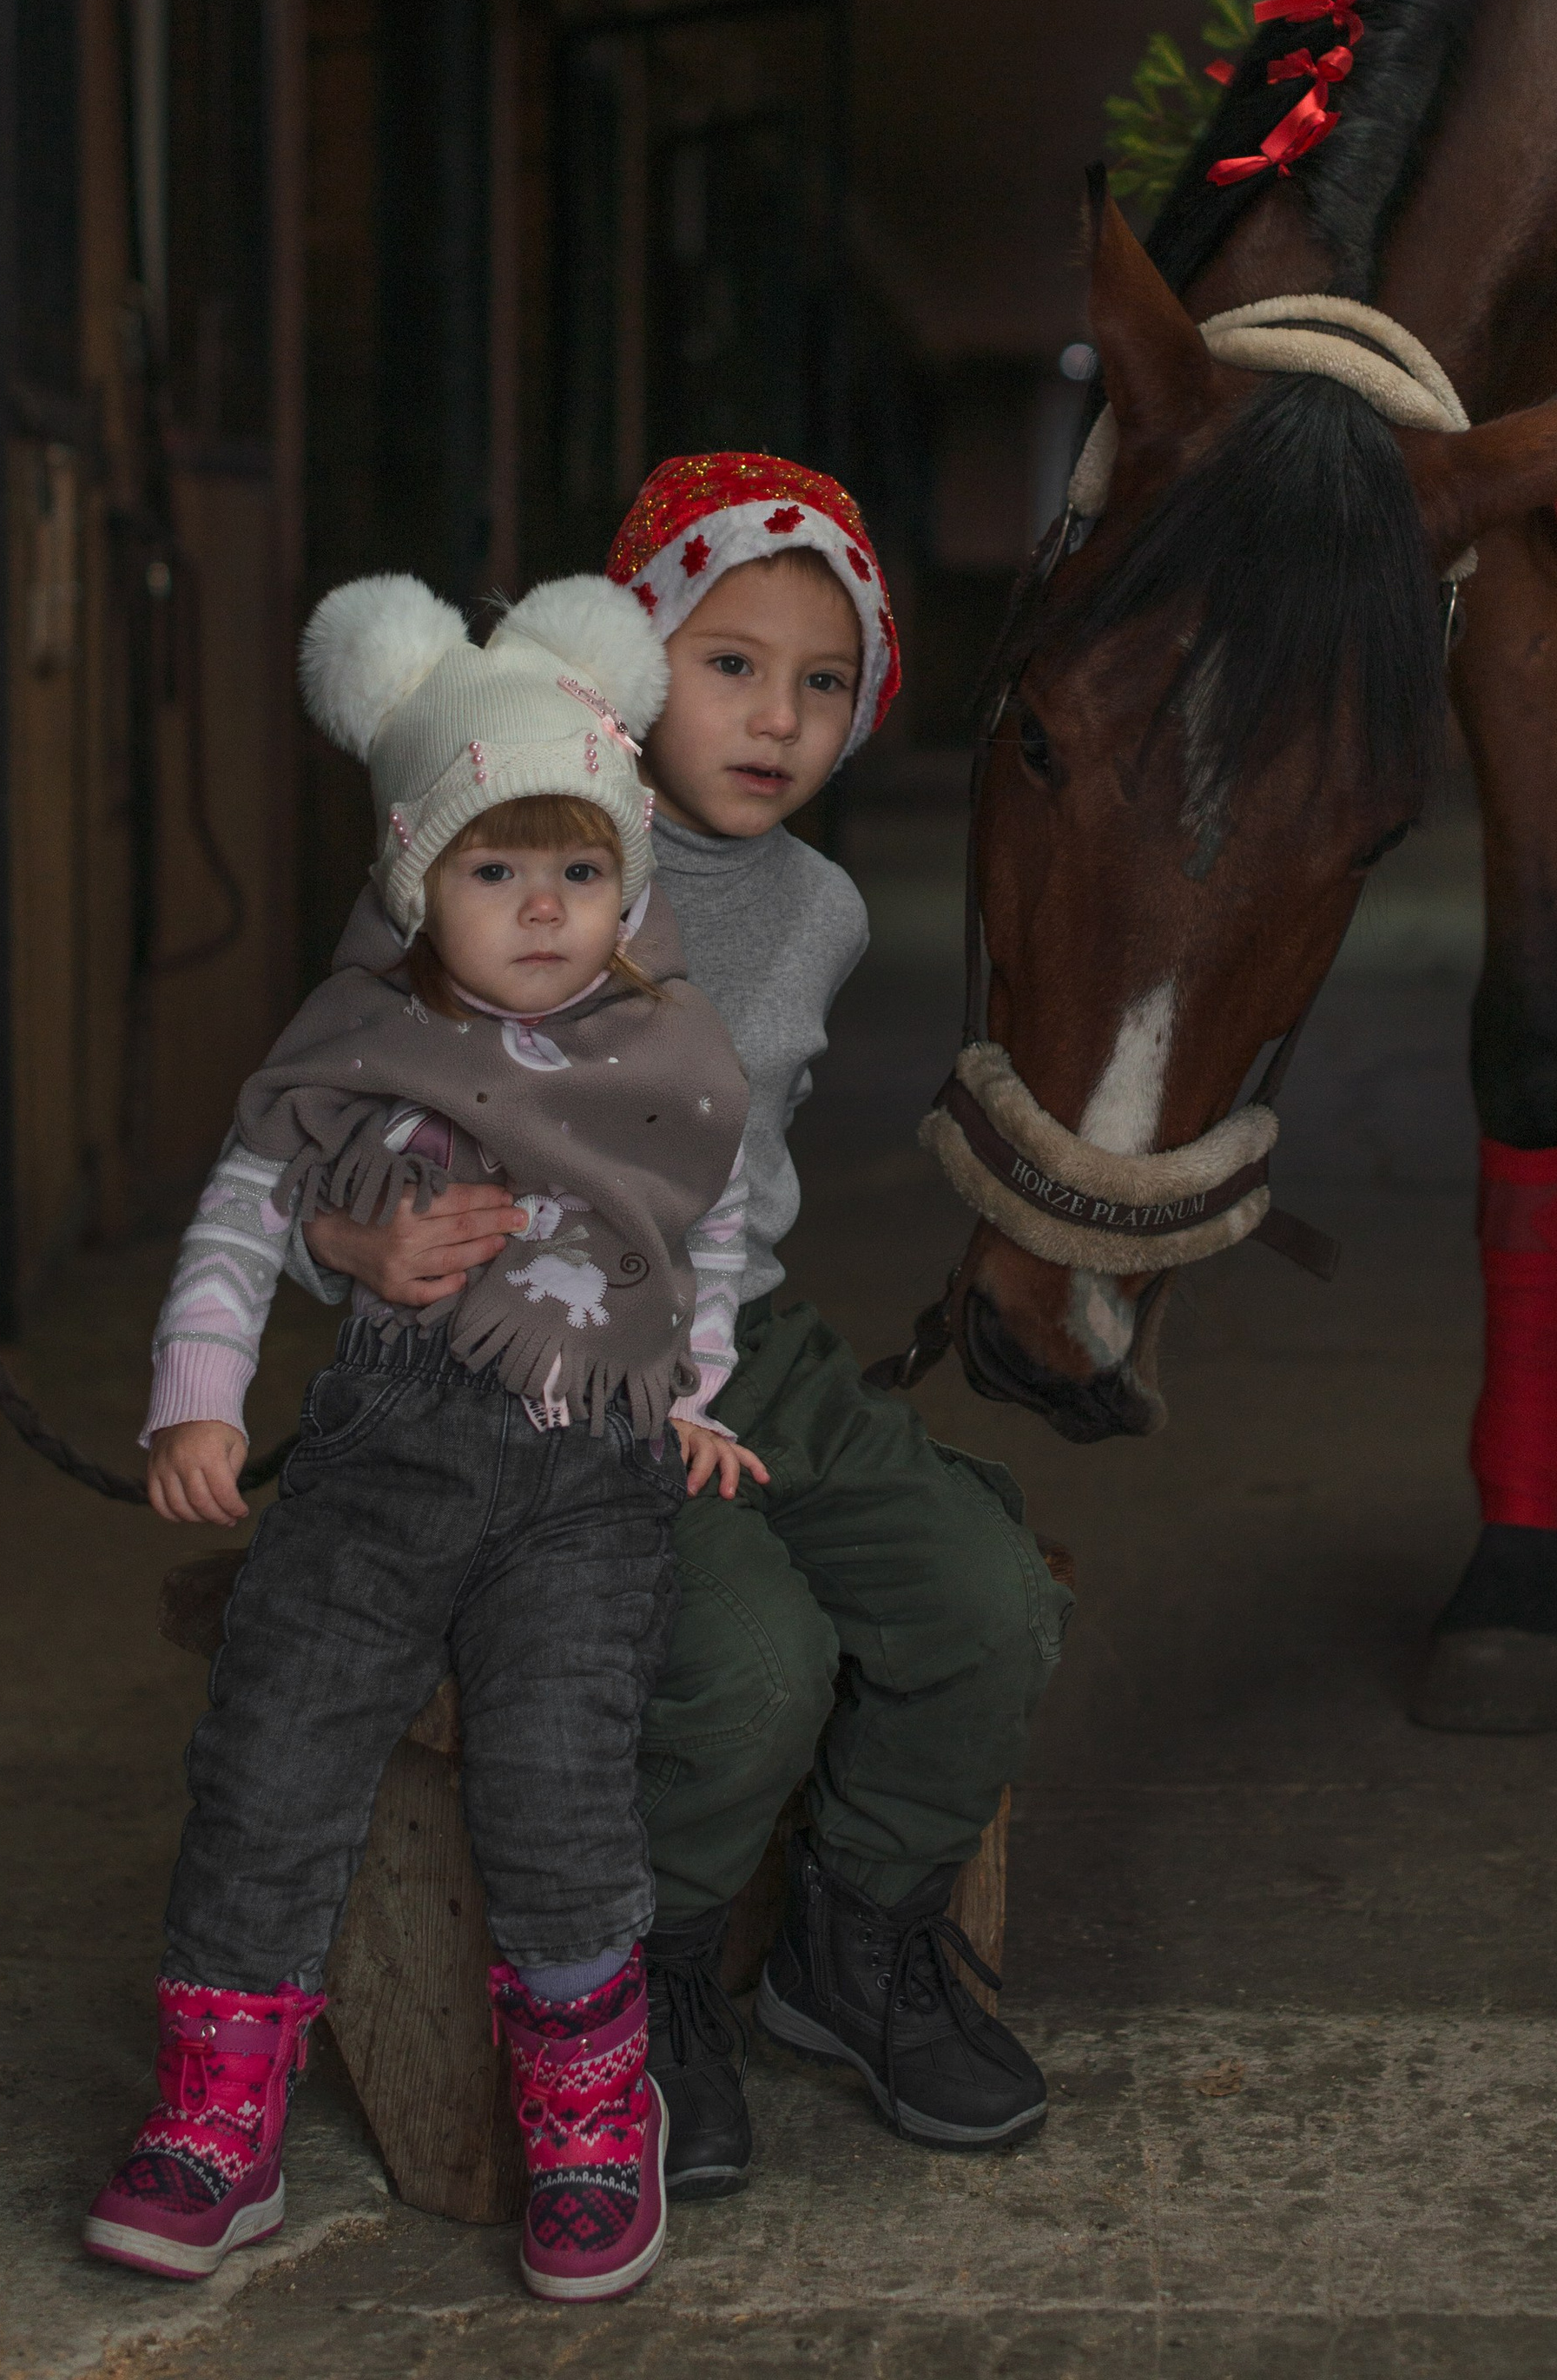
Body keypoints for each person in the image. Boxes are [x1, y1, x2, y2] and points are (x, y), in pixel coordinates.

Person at [305, 456, 1071, 2193]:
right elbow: (315, 1134)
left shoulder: (819, 910)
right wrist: (356, 1246)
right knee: (749, 1665)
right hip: (528, 1362)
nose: (776, 718)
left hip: (747, 1338)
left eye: (824, 681)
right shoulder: (486, 836)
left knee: (985, 1602)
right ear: (630, 655)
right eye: (730, 664)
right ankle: (646, 1974)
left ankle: (852, 1941)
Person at [85, 575, 760, 2306]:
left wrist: (691, 1392)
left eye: (579, 872)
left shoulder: (668, 1051)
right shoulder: (362, 1038)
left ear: (627, 880)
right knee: (274, 1741)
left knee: (556, 1775)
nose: (540, 909)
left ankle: (594, 2112)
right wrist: (201, 1392)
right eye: (491, 869)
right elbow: (247, 1209)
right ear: (413, 881)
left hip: (586, 1474)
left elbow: (711, 1224)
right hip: (388, 1450)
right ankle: (216, 2115)